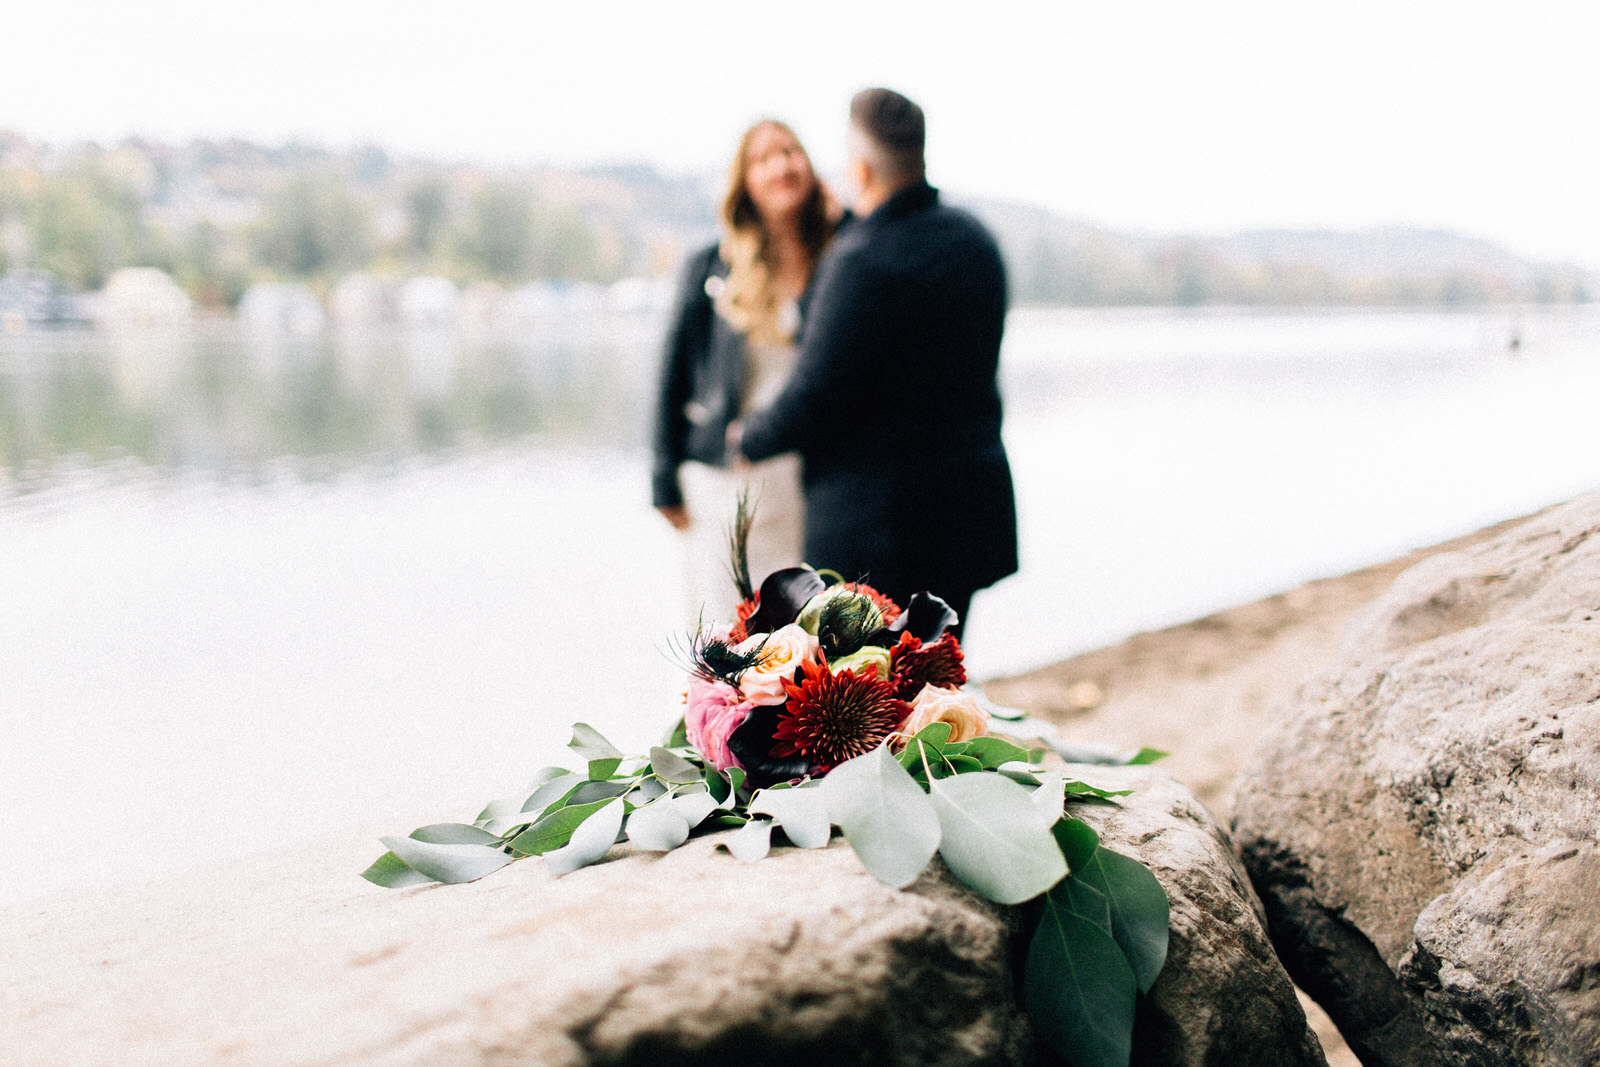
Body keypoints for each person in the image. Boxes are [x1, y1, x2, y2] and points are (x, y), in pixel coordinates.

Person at [731, 88, 1018, 637]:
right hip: (967, 509)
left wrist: (750, 436)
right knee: (940, 677)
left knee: (879, 699)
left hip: (877, 527)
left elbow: (817, 392)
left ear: (860, 169)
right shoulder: (977, 241)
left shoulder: (860, 259)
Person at [652, 120, 839, 623]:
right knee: (724, 631)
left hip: (804, 484)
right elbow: (671, 376)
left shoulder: (839, 260)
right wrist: (662, 480)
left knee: (803, 635)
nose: (782, 166)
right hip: (722, 483)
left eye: (791, 151)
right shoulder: (710, 265)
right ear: (745, 182)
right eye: (764, 158)